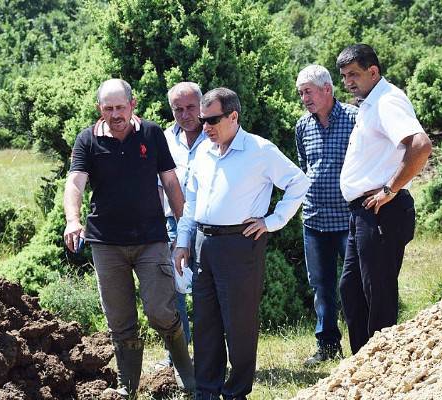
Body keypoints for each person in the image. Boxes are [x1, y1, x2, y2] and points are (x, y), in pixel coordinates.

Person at [173, 88, 310, 399]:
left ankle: (236, 392)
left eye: (212, 120)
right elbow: (191, 201)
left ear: (233, 117)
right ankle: (206, 391)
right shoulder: (204, 152)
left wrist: (272, 221)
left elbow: (298, 182)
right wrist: (183, 240)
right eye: (202, 119)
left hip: (240, 244)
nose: (204, 126)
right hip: (203, 244)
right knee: (206, 322)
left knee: (239, 324)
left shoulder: (260, 150)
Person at [63, 78, 195, 395]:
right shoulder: (87, 140)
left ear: (132, 105)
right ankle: (128, 387)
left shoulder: (150, 134)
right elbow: (75, 183)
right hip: (106, 243)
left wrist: (184, 231)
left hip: (151, 238)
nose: (115, 114)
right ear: (100, 109)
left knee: (160, 312)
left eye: (120, 107)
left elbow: (171, 183)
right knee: (120, 320)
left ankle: (188, 375)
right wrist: (72, 220)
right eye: (108, 108)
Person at [336, 44, 433, 355]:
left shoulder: (387, 101)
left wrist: (390, 189)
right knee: (351, 290)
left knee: (377, 293)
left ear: (373, 72)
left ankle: (386, 368)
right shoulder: (370, 103)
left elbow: (420, 146)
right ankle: (364, 365)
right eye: (344, 76)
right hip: (362, 212)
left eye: (354, 74)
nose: (348, 81)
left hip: (381, 210)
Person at [295, 64, 358, 365]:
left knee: (355, 283)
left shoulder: (355, 118)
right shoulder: (302, 127)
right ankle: (328, 345)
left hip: (349, 218)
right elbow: (305, 167)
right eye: (300, 93)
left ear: (327, 90)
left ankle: (366, 341)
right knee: (321, 286)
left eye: (308, 91)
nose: (304, 98)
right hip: (314, 220)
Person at [155, 81, 208, 370]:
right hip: (172, 224)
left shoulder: (215, 135)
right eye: (178, 109)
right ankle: (178, 356)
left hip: (208, 223)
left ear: (201, 106)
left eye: (190, 107)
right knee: (172, 291)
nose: (185, 114)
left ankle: (206, 354)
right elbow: (157, 185)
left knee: (204, 290)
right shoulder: (163, 139)